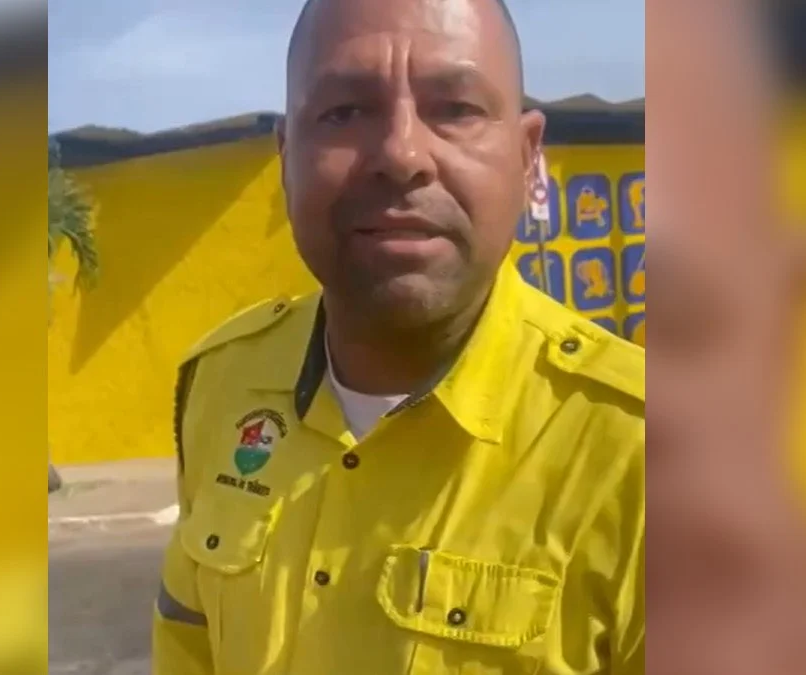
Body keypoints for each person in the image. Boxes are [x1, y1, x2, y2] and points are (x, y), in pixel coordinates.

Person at [153, 0, 644, 673]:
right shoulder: (220, 383)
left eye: (456, 108)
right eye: (344, 112)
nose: (401, 155)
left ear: (529, 156)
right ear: (286, 158)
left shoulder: (650, 453)